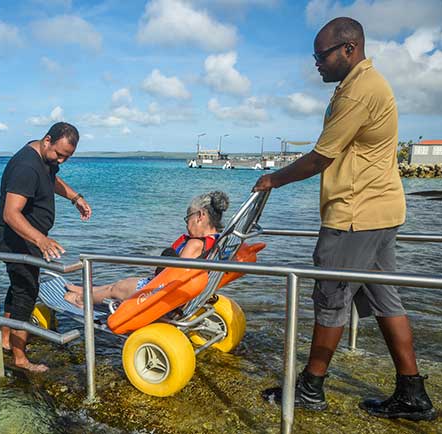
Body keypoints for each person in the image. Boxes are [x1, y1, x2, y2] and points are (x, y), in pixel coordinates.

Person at [254, 17, 436, 421]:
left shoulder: (358, 92)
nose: (316, 63)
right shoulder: (360, 86)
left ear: (349, 49)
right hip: (382, 209)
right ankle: (412, 393)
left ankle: (310, 388)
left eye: (321, 56)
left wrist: (273, 179)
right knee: (385, 298)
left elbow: (321, 157)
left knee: (331, 298)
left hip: (355, 214)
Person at [0, 122, 91, 372]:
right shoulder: (26, 166)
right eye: (59, 154)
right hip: (17, 239)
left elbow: (52, 179)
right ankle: (20, 359)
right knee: (26, 292)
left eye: (67, 157)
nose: (61, 161)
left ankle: (6, 339)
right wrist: (41, 240)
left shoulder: (43, 158)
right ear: (47, 140)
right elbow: (10, 214)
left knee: (18, 288)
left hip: (26, 238)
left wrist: (75, 197)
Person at [64, 191, 229, 307]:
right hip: (176, 292)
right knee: (116, 284)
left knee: (116, 289)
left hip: (161, 295)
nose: (186, 225)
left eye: (188, 218)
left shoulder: (195, 244)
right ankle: (86, 290)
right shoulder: (216, 242)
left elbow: (175, 276)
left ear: (200, 216)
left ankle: (81, 300)